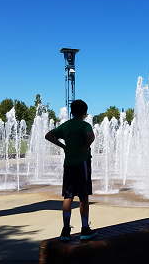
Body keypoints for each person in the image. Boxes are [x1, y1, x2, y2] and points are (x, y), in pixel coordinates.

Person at [45, 100, 97, 241]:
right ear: (85, 112)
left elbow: (48, 136)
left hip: (69, 165)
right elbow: (91, 136)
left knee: (68, 197)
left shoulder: (66, 125)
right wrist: (85, 147)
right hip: (82, 164)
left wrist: (63, 146)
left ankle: (65, 231)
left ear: (71, 112)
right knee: (83, 197)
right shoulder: (85, 125)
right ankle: (85, 229)